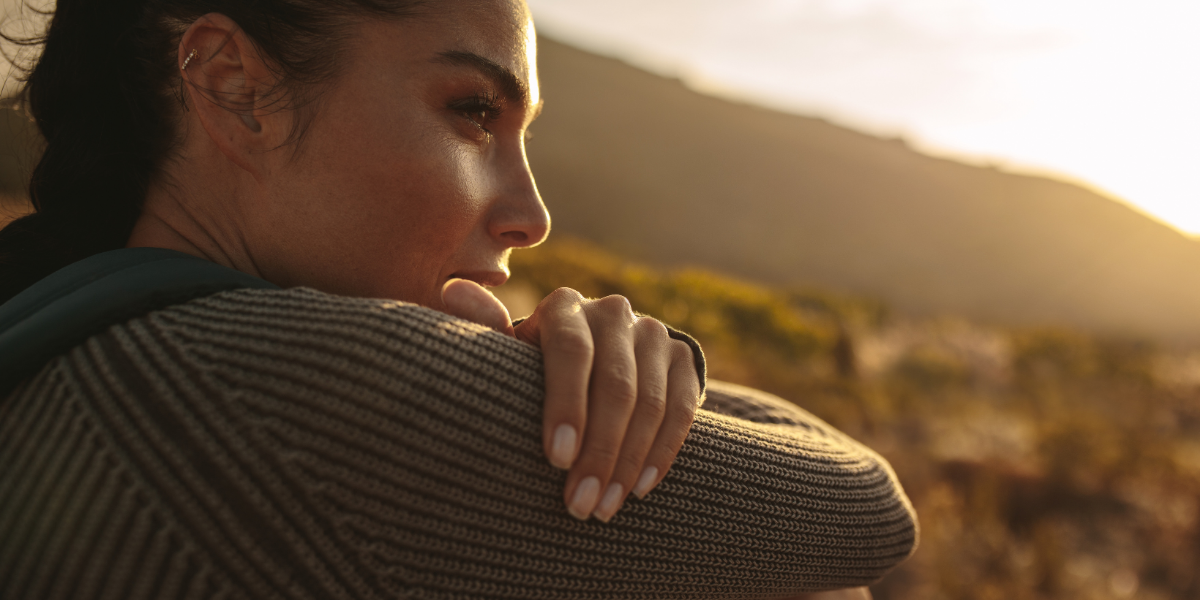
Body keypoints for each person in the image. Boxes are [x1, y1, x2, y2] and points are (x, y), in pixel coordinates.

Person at [0, 1, 917, 598]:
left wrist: (636, 373)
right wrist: (649, 380)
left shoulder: (55, 316)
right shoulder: (270, 384)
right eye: (475, 112)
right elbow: (866, 509)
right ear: (234, 87)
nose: (532, 216)